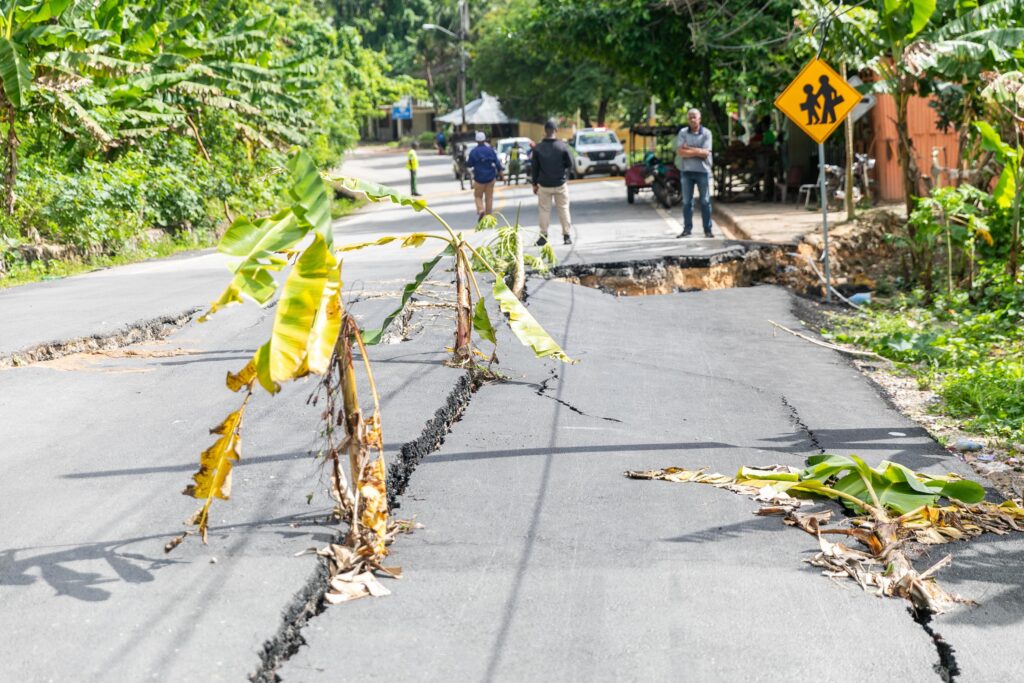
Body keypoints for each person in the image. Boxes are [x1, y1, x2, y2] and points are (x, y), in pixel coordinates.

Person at [531, 119, 574, 245]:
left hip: (544, 185)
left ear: (545, 131)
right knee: (564, 209)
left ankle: (543, 236)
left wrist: (534, 184)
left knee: (544, 210)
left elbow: (534, 168)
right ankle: (566, 236)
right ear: (556, 130)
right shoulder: (562, 146)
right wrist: (564, 175)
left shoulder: (538, 148)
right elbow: (570, 163)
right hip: (560, 184)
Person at [675, 108, 714, 238]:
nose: (692, 119)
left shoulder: (707, 133)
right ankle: (687, 229)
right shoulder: (683, 132)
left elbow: (706, 153)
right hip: (686, 172)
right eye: (690, 117)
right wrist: (698, 151)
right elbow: (680, 152)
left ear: (699, 119)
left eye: (694, 117)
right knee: (687, 202)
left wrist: (689, 149)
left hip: (703, 172)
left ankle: (708, 230)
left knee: (705, 201)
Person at [467, 131, 502, 220]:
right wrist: (501, 173)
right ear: (485, 139)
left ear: (476, 141)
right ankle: (488, 216)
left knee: (477, 196)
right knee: (489, 197)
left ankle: (481, 209)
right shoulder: (490, 150)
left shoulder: (473, 152)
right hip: (490, 178)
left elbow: (469, 164)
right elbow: (497, 163)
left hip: (479, 179)